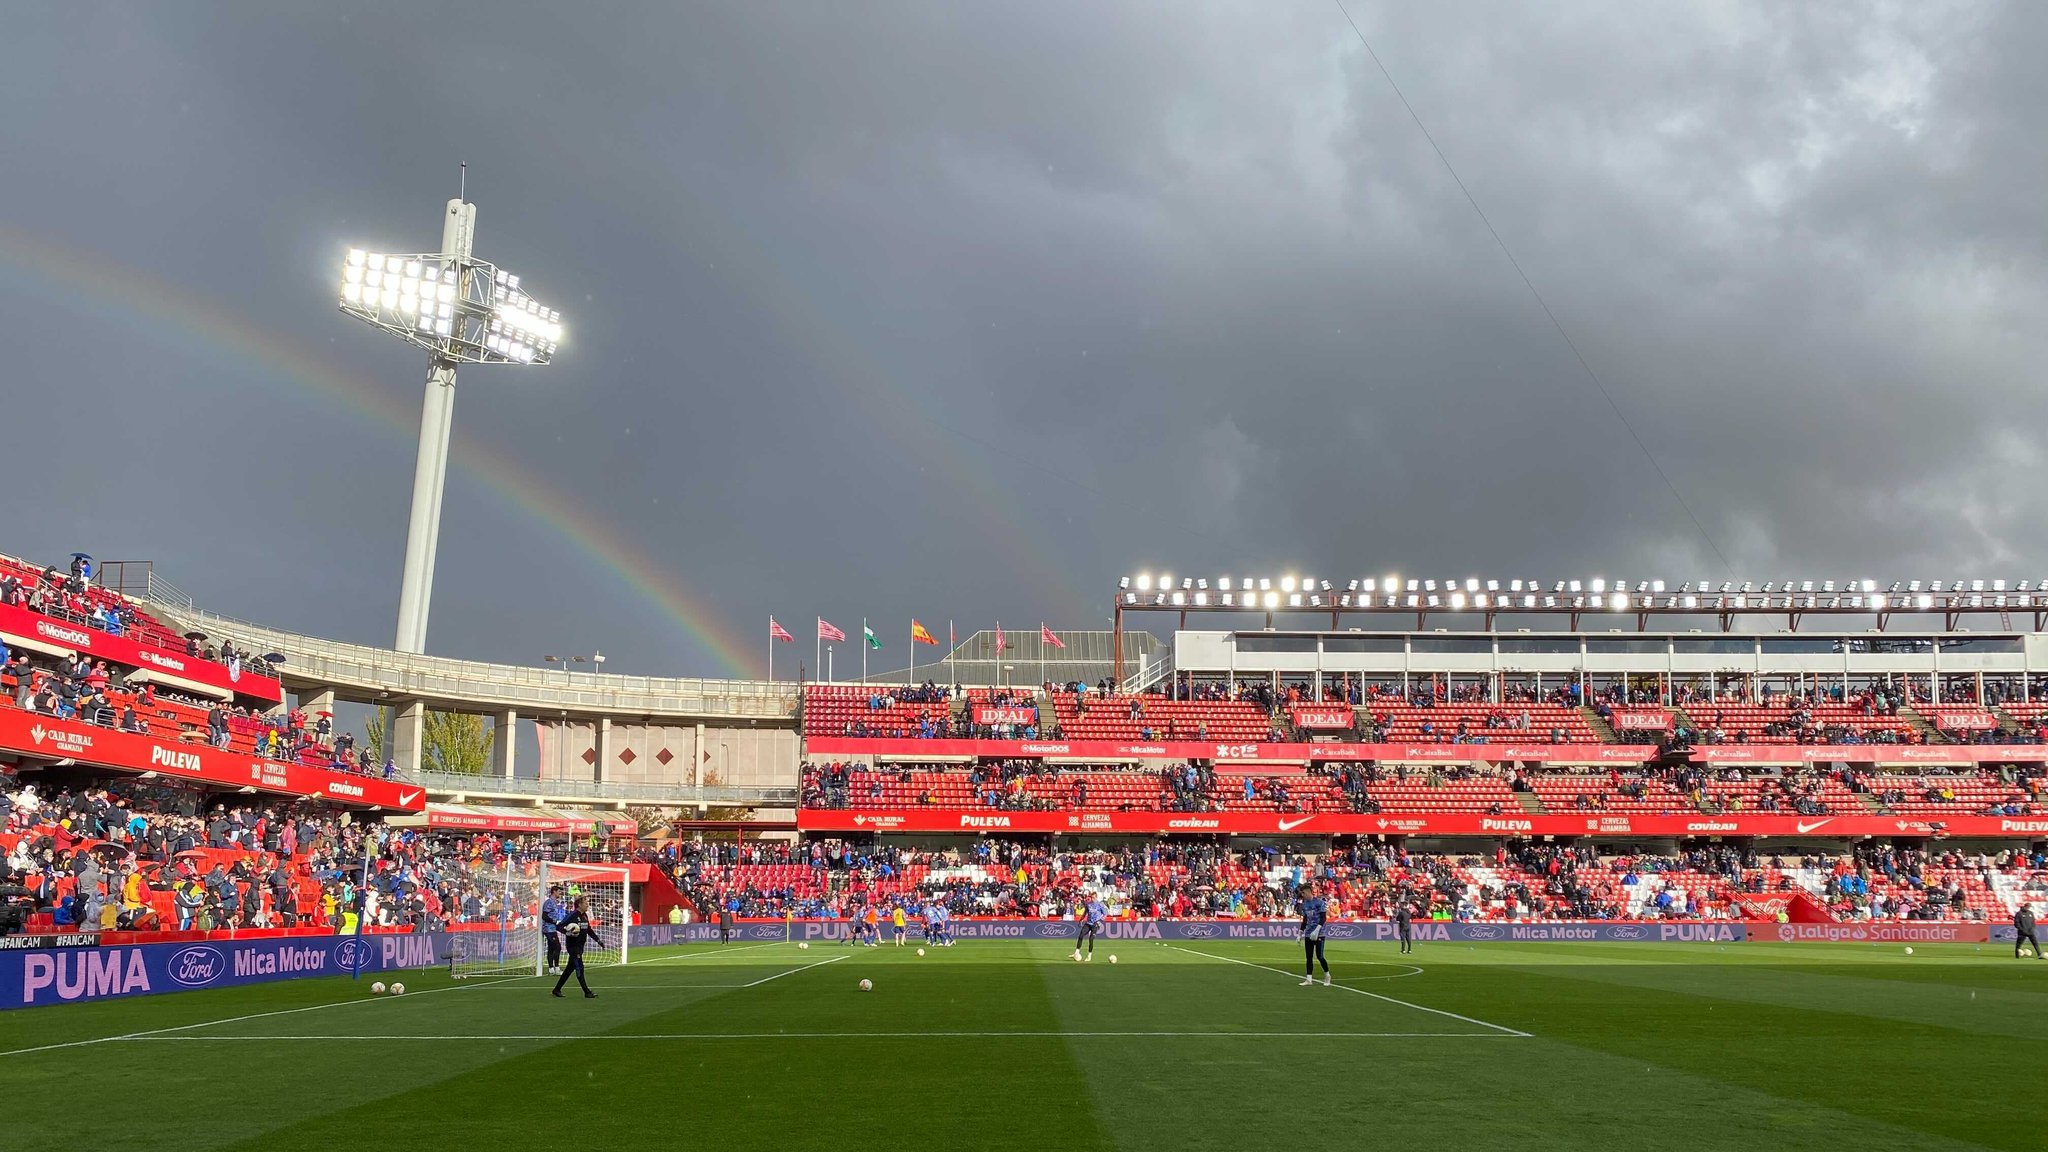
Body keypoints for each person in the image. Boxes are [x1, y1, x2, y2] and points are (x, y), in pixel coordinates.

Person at [551, 897, 603, 999]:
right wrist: (568, 932)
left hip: (580, 946)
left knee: (569, 969)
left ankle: (556, 990)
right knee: (580, 967)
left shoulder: (584, 916)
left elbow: (588, 930)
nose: (587, 905)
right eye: (585, 903)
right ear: (579, 904)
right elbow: (559, 926)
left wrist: (598, 940)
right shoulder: (572, 915)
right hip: (573, 947)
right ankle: (587, 992)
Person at [1299, 882, 1331, 987]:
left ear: (1308, 892)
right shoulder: (1304, 905)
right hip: (1308, 933)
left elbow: (1323, 918)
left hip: (1319, 933)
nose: (1302, 895)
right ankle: (1309, 979)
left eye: (1303, 893)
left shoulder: (1319, 903)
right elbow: (1305, 920)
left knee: (1320, 956)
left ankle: (1327, 975)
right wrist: (1300, 933)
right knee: (1309, 957)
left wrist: (1317, 930)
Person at [540, 885, 567, 975]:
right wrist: (553, 921)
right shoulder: (549, 902)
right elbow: (544, 916)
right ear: (554, 891)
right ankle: (557, 968)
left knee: (551, 948)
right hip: (548, 928)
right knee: (557, 947)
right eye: (559, 891)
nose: (560, 893)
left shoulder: (554, 902)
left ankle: (551, 969)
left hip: (552, 928)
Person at [1073, 893, 1107, 962]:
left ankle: (1089, 956)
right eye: (1092, 897)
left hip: (1095, 924)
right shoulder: (1088, 905)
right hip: (1088, 923)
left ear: (1096, 897)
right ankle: (1076, 952)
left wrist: (1100, 920)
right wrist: (1081, 920)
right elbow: (1085, 913)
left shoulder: (1100, 905)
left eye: (1094, 897)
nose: (1093, 899)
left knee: (1091, 939)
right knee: (1081, 935)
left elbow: (1105, 913)